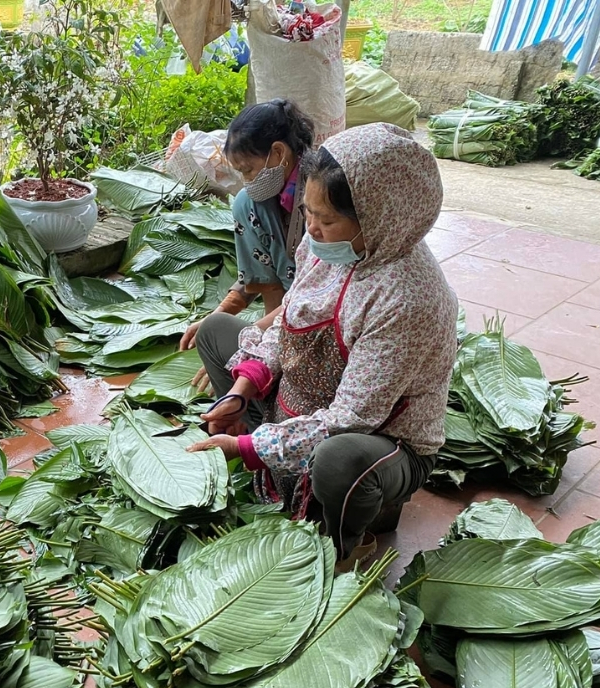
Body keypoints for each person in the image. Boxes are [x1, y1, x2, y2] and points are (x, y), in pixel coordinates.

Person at [189, 123, 458, 571]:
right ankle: (276, 459)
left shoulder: (409, 299)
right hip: (304, 399)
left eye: (327, 219)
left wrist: (246, 449)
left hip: (377, 435)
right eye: (309, 212)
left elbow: (350, 418)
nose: (311, 228)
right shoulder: (326, 247)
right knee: (217, 330)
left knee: (340, 460)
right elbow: (286, 321)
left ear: (381, 216)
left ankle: (345, 534)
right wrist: (243, 389)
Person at [180, 99, 316, 394]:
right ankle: (276, 352)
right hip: (284, 308)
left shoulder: (320, 196)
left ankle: (277, 357)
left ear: (279, 153)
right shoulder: (259, 202)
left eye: (249, 170)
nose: (246, 180)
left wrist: (252, 345)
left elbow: (320, 292)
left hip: (318, 309)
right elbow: (259, 271)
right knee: (246, 202)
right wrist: (216, 317)